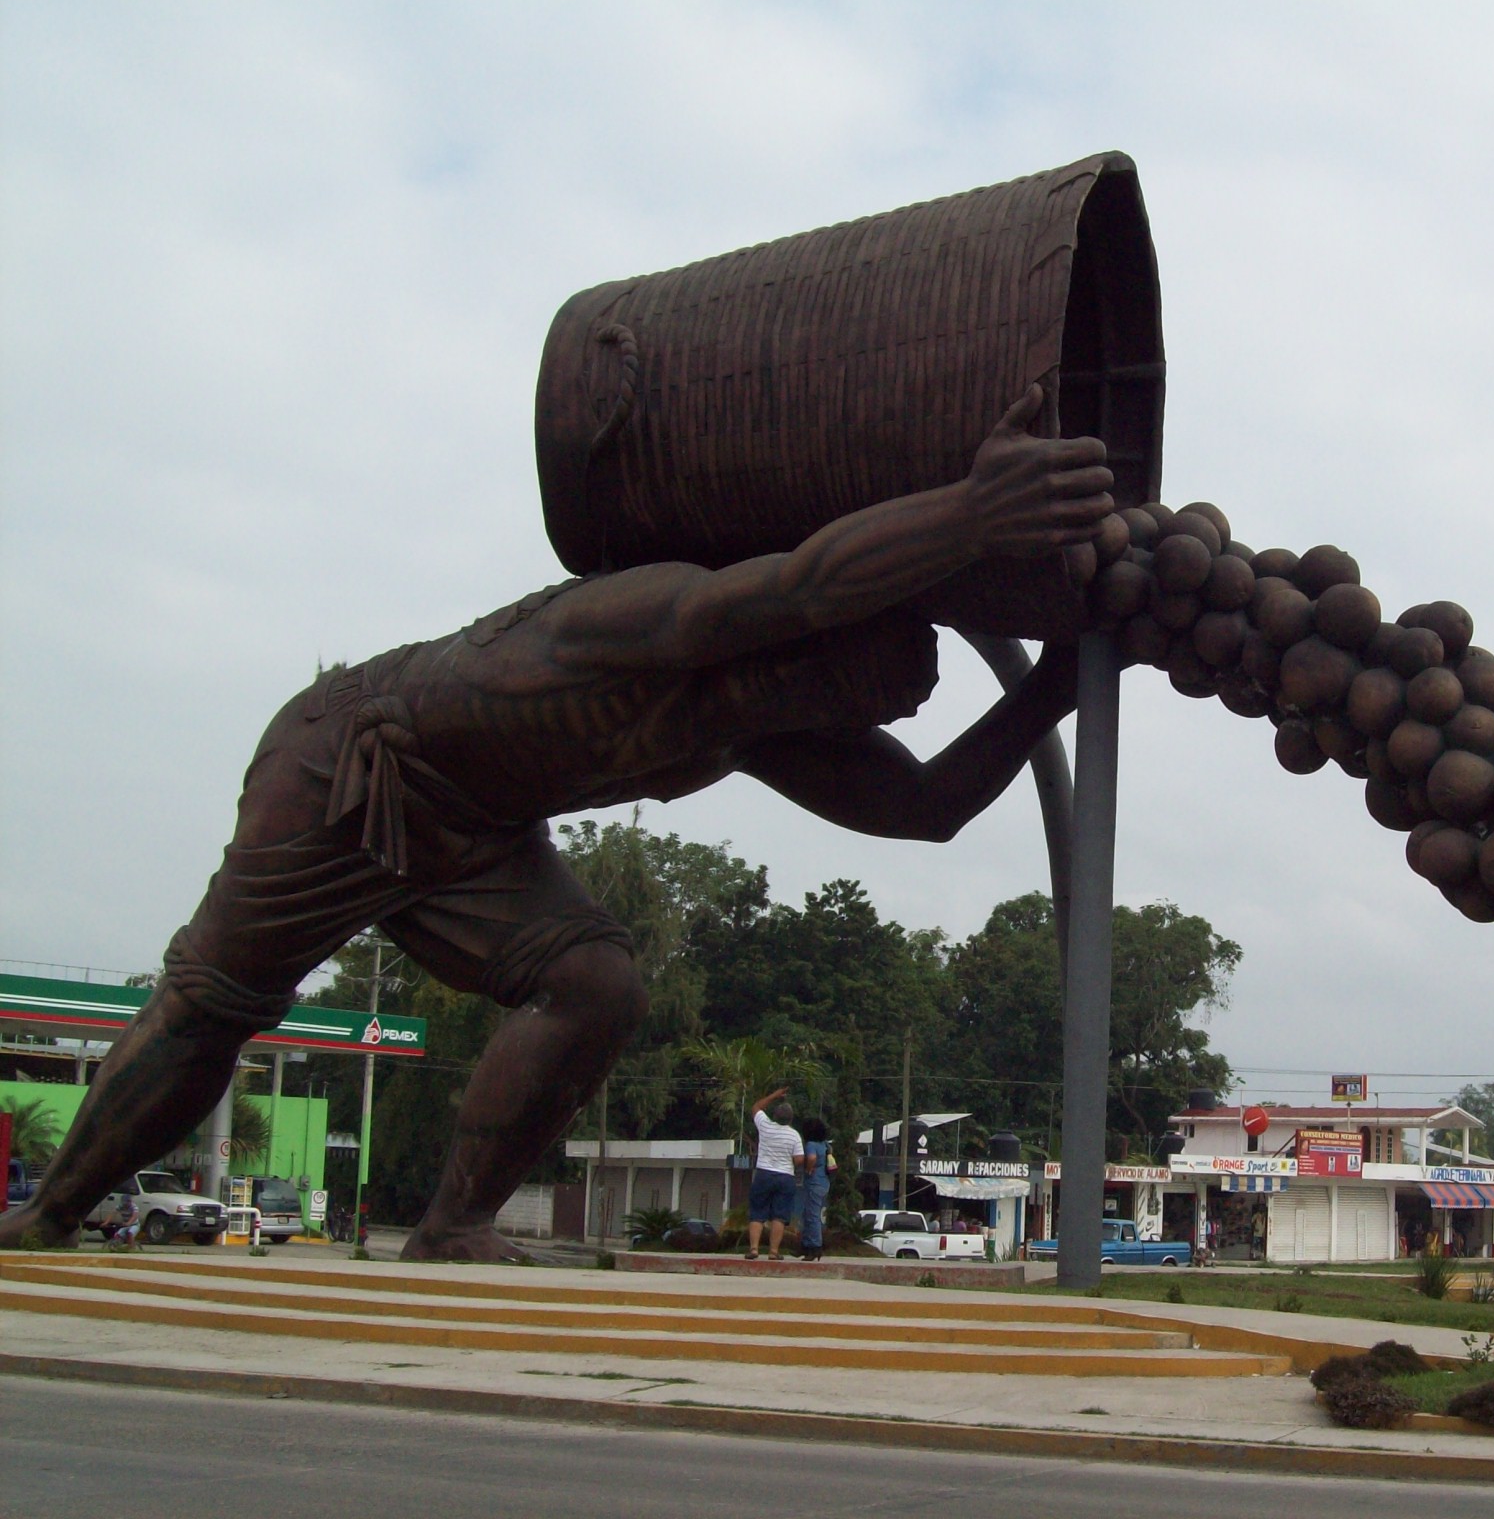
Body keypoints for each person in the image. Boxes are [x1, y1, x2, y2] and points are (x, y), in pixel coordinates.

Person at [0, 387, 1113, 1260]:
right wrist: (971, 512)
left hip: (481, 832)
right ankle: (49, 1213)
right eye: (831, 692)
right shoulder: (651, 615)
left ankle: (450, 1228)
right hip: (350, 767)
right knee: (213, 1007)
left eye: (853, 714)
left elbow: (920, 809)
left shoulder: (753, 728)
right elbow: (794, 585)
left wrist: (1050, 687)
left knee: (597, 985)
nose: (827, 723)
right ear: (800, 647)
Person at [746, 1090, 804, 1261]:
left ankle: (754, 1249)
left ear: (775, 1116)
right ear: (791, 1119)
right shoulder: (794, 1135)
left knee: (757, 1213)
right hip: (785, 1176)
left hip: (764, 1173)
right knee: (779, 1216)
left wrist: (773, 1096)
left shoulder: (765, 1126)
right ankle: (773, 1252)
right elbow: (799, 1159)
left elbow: (756, 1107)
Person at [796, 1115, 832, 1261]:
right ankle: (805, 1245)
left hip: (814, 1183)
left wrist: (808, 1169)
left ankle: (815, 1246)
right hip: (824, 1182)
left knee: (813, 1216)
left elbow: (811, 1158)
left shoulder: (811, 1144)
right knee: (807, 1214)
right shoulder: (825, 1145)